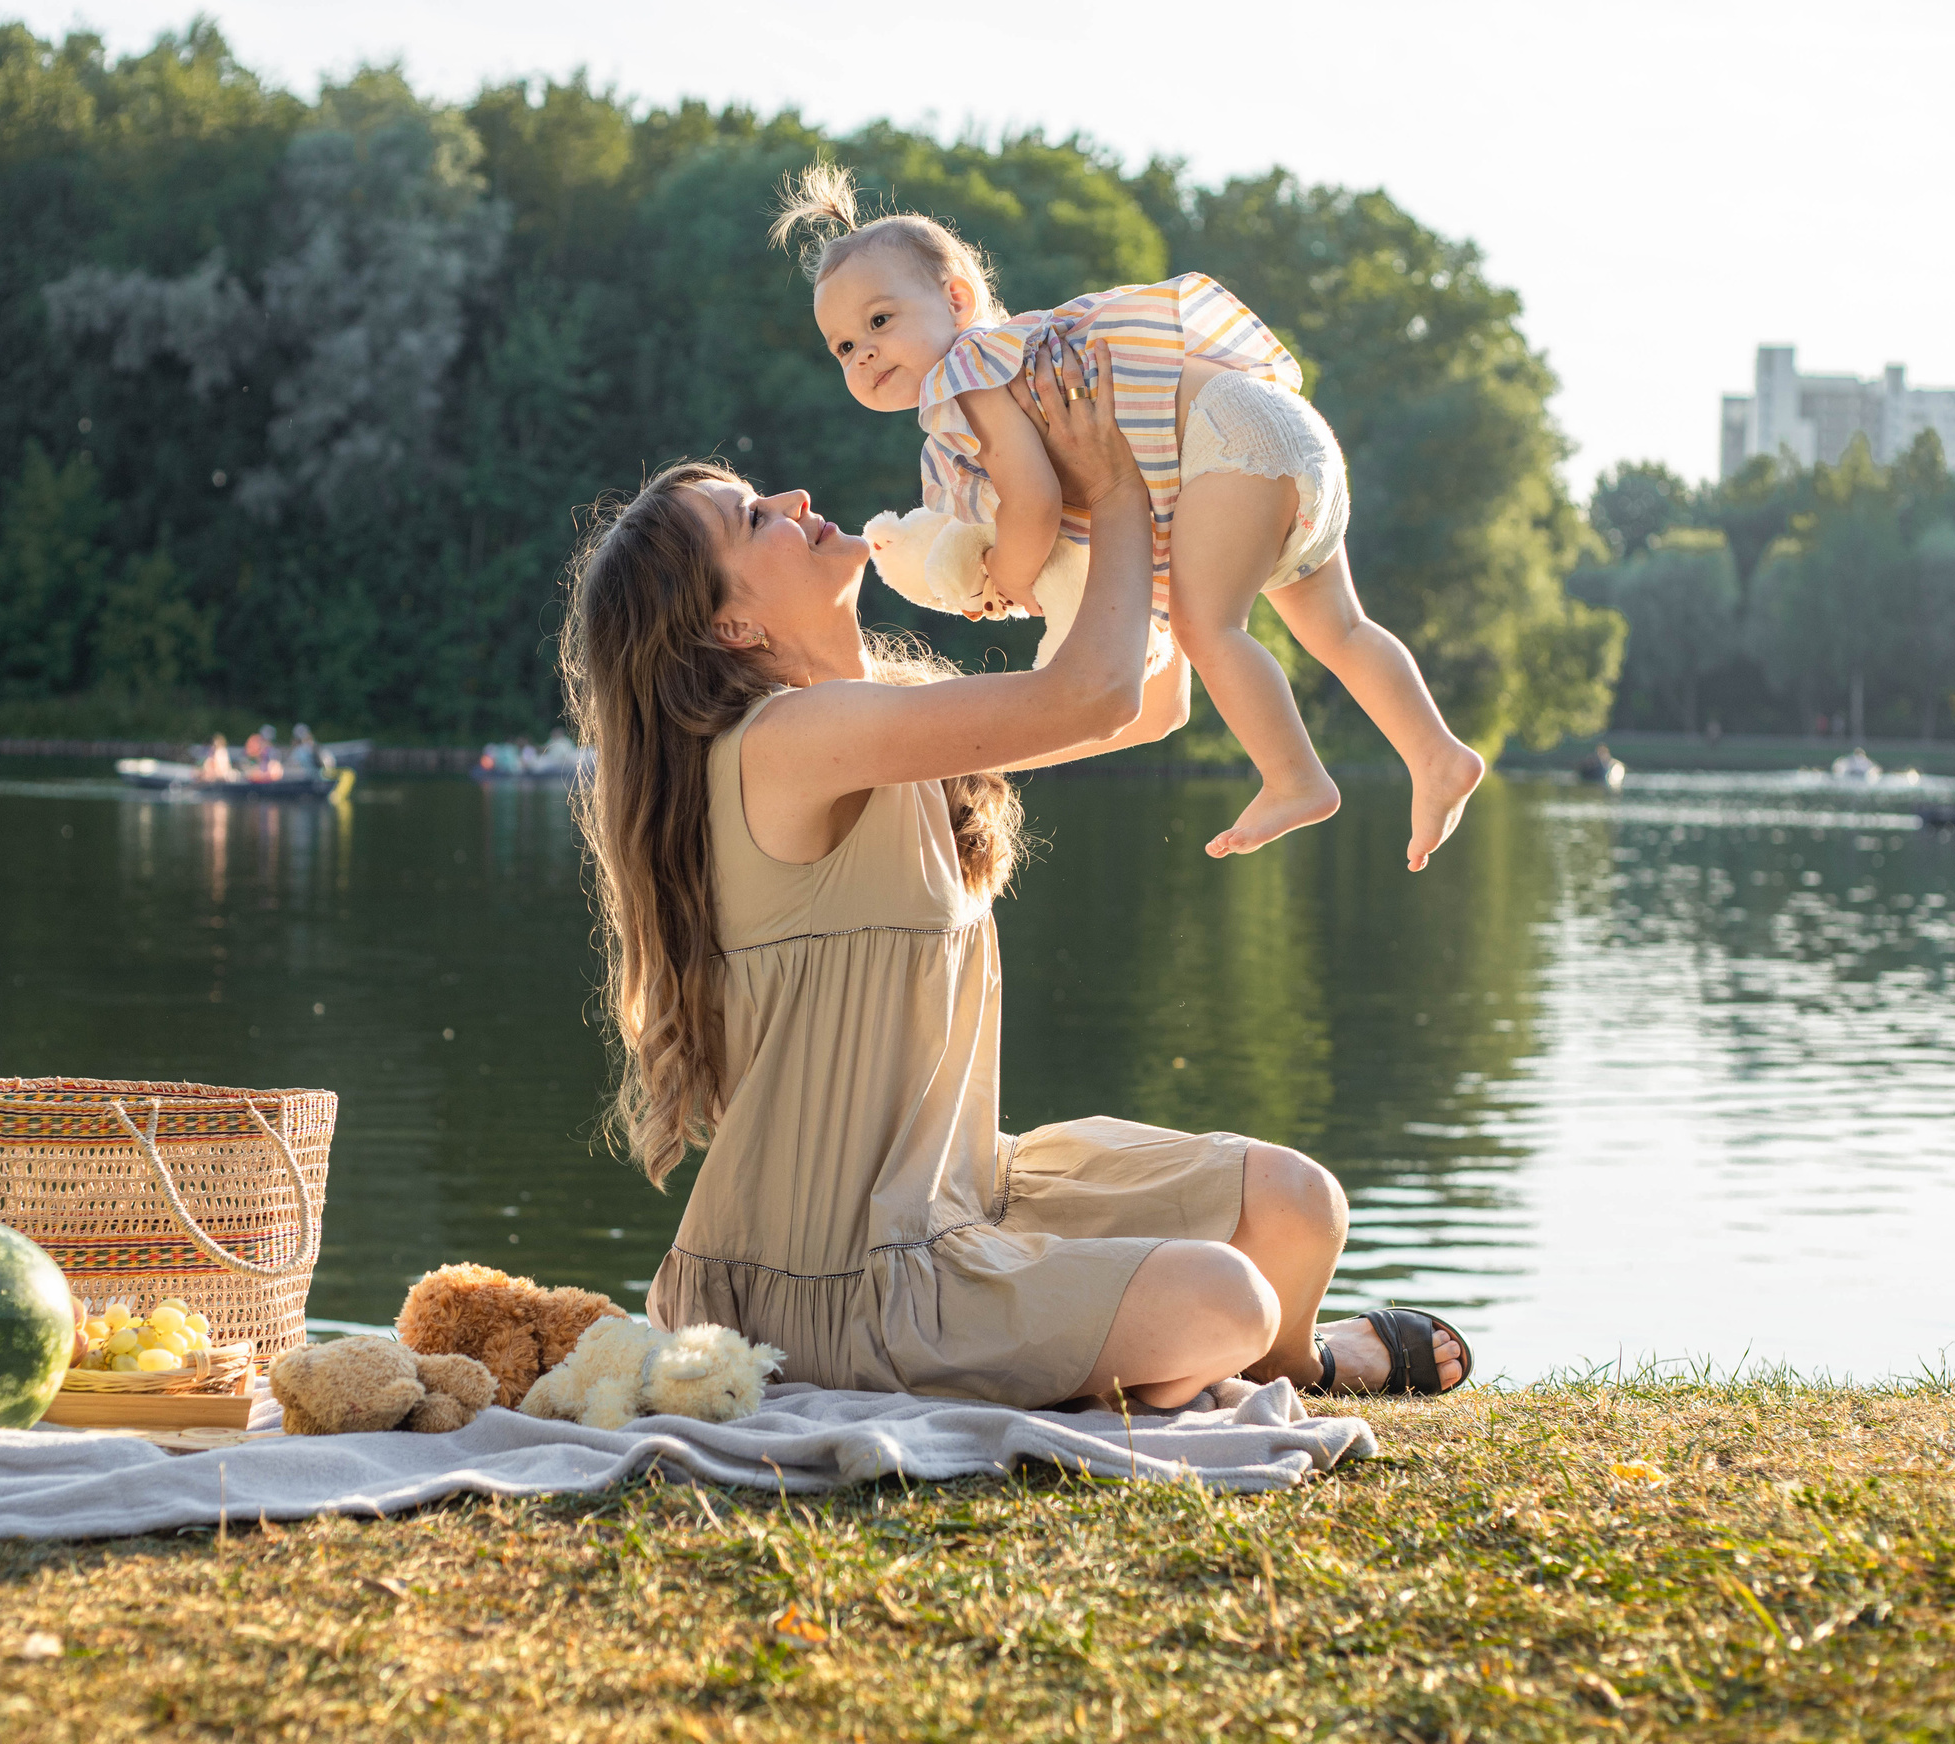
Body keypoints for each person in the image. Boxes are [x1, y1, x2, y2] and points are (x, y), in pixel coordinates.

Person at [559, 335, 1469, 1412]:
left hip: (960, 1199)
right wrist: (1113, 493)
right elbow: (1088, 695)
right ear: (731, 623)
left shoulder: (878, 712)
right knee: (1222, 1298)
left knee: (1294, 1204)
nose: (794, 497)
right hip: (835, 1283)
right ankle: (1302, 1362)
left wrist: (1104, 525)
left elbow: (1149, 699)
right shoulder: (783, 742)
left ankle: (1286, 1364)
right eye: (753, 517)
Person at [772, 164, 1484, 871]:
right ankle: (1436, 754)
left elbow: (1035, 502)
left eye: (880, 321)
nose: (863, 352)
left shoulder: (970, 371)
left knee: (1210, 627)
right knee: (1341, 627)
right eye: (842, 347)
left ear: (957, 301)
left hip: (1228, 441)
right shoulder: (1019, 358)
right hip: (1285, 440)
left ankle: (1296, 777)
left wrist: (1006, 576)